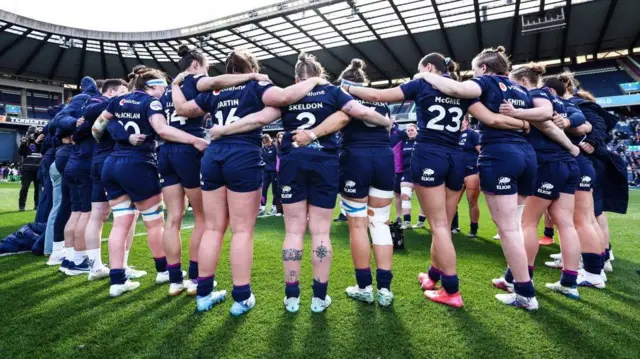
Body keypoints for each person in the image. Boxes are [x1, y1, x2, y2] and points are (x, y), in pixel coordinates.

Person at [205, 52, 390, 314]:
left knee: (293, 231)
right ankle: (319, 298)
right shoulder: (331, 91)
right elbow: (358, 111)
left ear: (296, 77)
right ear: (320, 74)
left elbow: (257, 119)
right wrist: (385, 121)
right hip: (324, 162)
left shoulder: (286, 94)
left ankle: (292, 298)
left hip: (292, 162)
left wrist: (223, 130)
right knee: (321, 232)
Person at [413, 46, 578, 310]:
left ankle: (524, 293)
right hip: (528, 158)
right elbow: (545, 120)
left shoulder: (485, 82)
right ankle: (502, 278)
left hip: (500, 157)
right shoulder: (523, 91)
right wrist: (568, 145)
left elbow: (457, 91)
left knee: (509, 229)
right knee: (521, 224)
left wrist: (424, 77)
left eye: (476, 69)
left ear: (484, 68)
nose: (474, 74)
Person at [172, 49, 329, 315]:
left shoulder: (216, 91)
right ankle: (241, 297)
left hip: (214, 155)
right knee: (242, 231)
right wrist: (313, 80)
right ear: (252, 67)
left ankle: (204, 294)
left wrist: (175, 84)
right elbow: (283, 98)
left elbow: (182, 109)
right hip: (243, 155)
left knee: (212, 229)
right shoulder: (256, 85)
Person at [92, 68, 208, 297]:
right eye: (163, 86)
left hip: (112, 163)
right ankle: (164, 271)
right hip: (138, 165)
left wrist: (122, 137)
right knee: (155, 223)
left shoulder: (116, 101)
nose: (165, 91)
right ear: (152, 86)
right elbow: (163, 130)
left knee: (119, 224)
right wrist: (196, 140)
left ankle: (117, 281)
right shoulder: (151, 104)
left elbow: (96, 130)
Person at [312, 58, 396, 307]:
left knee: (358, 226)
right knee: (380, 223)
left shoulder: (344, 98)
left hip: (355, 159)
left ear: (344, 83)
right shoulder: (381, 102)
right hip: (384, 158)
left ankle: (364, 287)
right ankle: (385, 290)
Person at [503, 63, 582, 299]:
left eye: (514, 83)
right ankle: (569, 282)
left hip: (548, 164)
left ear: (524, 81)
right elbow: (573, 119)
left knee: (528, 223)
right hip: (567, 165)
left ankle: (519, 280)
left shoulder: (535, 95)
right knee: (566, 224)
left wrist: (515, 113)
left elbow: (545, 118)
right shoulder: (560, 101)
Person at [540, 75, 606, 289]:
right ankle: (596, 269)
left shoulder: (562, 107)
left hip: (576, 164)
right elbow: (584, 125)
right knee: (586, 220)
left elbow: (587, 125)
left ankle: (593, 273)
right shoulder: (571, 106)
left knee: (581, 221)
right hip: (582, 165)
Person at [81, 79, 134, 280]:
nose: (126, 96)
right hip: (114, 162)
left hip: (99, 160)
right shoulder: (109, 107)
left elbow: (94, 130)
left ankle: (96, 267)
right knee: (127, 215)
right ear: (110, 93)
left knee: (98, 214)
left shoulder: (103, 112)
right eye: (122, 92)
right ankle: (121, 267)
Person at [455, 116, 481, 238]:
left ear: (465, 121)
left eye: (459, 119)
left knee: (472, 201)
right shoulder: (453, 135)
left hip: (472, 171)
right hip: (457, 171)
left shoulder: (472, 134)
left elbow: (481, 151)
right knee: (452, 201)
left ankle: (473, 229)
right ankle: (454, 226)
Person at [18, 125, 42, 211]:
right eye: (30, 131)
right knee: (24, 188)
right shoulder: (25, 141)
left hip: (38, 168)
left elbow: (43, 149)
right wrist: (23, 144)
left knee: (38, 189)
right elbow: (21, 153)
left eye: (33, 132)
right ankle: (21, 206)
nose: (32, 134)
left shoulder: (40, 141)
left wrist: (38, 140)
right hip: (27, 169)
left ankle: (37, 205)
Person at [398, 124, 417, 230]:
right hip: (407, 172)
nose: (410, 132)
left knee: (424, 199)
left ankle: (421, 221)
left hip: (420, 172)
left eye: (412, 130)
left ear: (417, 130)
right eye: (408, 130)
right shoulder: (404, 141)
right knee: (404, 195)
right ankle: (407, 221)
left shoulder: (421, 140)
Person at [259, 134, 278, 217]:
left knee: (275, 190)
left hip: (274, 172)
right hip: (265, 172)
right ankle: (262, 208)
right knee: (263, 190)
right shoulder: (262, 149)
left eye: (267, 142)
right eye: (264, 143)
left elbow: (278, 160)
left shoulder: (275, 148)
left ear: (270, 140)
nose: (266, 144)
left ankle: (274, 207)